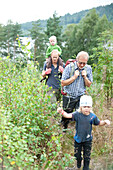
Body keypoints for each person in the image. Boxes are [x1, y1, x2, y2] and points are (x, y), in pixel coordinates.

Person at [57, 95, 110, 170]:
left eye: (88, 107)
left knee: (87, 156)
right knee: (77, 155)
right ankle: (79, 161)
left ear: (91, 108)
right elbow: (68, 115)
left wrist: (105, 122)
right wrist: (61, 111)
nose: (86, 109)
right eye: (84, 107)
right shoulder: (77, 114)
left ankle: (86, 167)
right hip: (78, 139)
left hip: (88, 139)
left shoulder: (92, 116)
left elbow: (98, 123)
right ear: (81, 107)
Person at [61, 51, 93, 130]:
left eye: (84, 63)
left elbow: (89, 84)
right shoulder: (69, 67)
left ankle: (79, 132)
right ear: (76, 60)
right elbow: (63, 83)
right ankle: (64, 131)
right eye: (80, 63)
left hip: (80, 96)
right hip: (69, 96)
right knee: (66, 116)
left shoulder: (88, 68)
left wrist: (85, 77)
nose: (82, 65)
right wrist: (74, 77)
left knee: (81, 115)